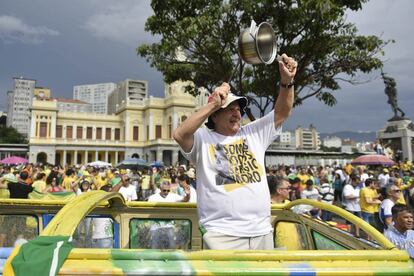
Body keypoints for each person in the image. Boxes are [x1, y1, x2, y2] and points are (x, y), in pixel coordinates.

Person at [173, 53, 296, 250]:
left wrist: (287, 82)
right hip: (221, 235)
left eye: (238, 108)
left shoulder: (253, 133)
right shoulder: (204, 139)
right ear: (214, 116)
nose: (237, 112)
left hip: (261, 231)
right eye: (230, 108)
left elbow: (282, 112)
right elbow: (180, 134)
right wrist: (212, 103)